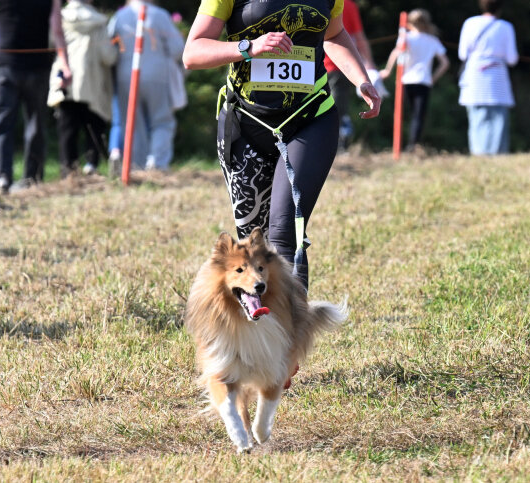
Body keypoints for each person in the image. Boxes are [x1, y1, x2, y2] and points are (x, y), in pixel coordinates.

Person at [182, 0, 381, 289]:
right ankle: (259, 324)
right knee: (253, 242)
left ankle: (291, 331)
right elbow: (193, 52)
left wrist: (361, 79)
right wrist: (248, 47)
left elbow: (334, 34)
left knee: (286, 231)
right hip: (247, 123)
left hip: (311, 117)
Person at [0, 0, 71, 193]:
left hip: (6, 66)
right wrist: (64, 62)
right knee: (36, 123)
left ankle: (2, 176)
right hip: (38, 68)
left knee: (2, 123)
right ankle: (33, 178)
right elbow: (57, 30)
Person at [108, 0, 184, 172]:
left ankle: (136, 166)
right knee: (162, 121)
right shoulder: (160, 15)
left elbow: (110, 47)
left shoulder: (120, 16)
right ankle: (157, 164)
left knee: (133, 124)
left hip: (124, 76)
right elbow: (177, 48)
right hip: (157, 75)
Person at [48, 0, 118, 177]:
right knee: (94, 126)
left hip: (65, 80)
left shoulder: (59, 17)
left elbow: (50, 43)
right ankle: (91, 166)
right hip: (92, 82)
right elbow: (108, 57)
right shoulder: (99, 22)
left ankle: (68, 171)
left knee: (67, 129)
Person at [380, 8, 449, 152]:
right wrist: (433, 78)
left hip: (405, 81)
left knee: (401, 113)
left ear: (410, 23)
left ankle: (400, 144)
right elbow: (445, 63)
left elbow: (396, 53)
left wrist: (387, 70)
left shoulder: (406, 37)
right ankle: (413, 144)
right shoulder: (432, 40)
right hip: (423, 81)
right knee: (418, 115)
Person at [458, 0, 518, 156]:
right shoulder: (505, 27)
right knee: (498, 120)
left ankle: (478, 153)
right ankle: (497, 154)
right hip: (497, 76)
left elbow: (462, 53)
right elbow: (512, 58)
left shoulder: (469, 23)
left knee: (477, 119)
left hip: (475, 75)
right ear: (500, 9)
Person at [323, 0, 374, 151]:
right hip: (334, 67)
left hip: (332, 65)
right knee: (337, 109)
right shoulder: (349, 5)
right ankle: (335, 145)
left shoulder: (347, 5)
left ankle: (336, 145)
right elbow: (359, 37)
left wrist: (367, 68)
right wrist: (369, 63)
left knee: (333, 109)